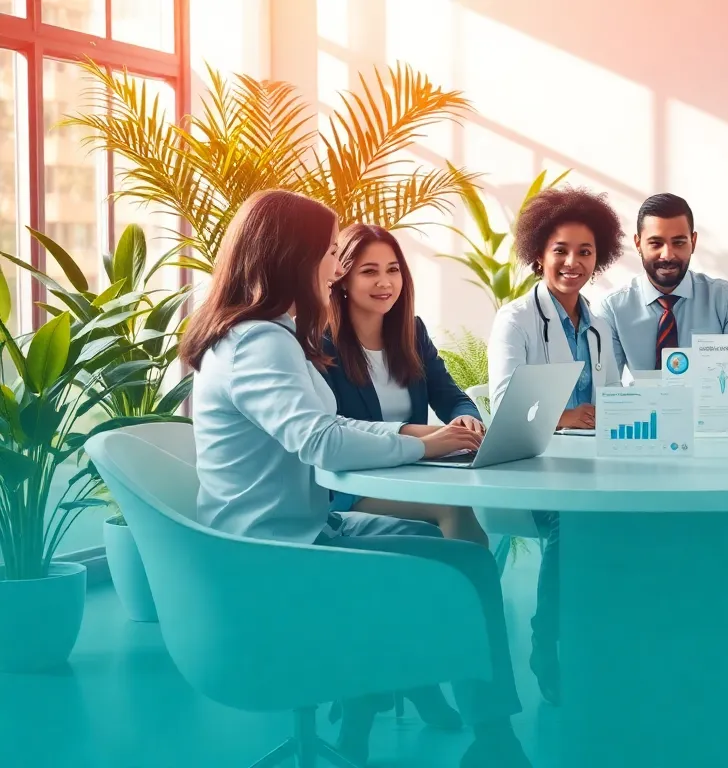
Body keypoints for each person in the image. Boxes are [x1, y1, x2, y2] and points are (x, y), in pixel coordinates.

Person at [183, 189, 531, 768]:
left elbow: (329, 423)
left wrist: (424, 437)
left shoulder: (261, 334)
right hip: (277, 550)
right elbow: (318, 440)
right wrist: (418, 439)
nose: (334, 265)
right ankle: (491, 735)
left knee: (459, 556)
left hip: (302, 526)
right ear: (292, 257)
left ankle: (470, 717)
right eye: (327, 251)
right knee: (464, 562)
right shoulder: (261, 342)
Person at [486, 185, 624, 705]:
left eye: (585, 252)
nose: (573, 263)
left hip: (594, 463)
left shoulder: (600, 325)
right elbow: (504, 405)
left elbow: (613, 397)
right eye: (561, 251)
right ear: (538, 254)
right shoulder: (516, 319)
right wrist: (567, 417)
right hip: (536, 467)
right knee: (575, 521)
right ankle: (548, 642)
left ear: (599, 257)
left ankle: (607, 638)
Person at [322, 223, 489, 548]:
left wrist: (465, 418)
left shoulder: (412, 332)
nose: (385, 282)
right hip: (351, 484)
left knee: (472, 502)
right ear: (343, 278)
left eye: (393, 270)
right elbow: (339, 430)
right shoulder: (323, 343)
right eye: (369, 271)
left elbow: (452, 396)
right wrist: (427, 437)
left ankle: (463, 597)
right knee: (457, 510)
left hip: (413, 471)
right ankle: (472, 600)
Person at [595, 193, 728, 419]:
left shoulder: (724, 297)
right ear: (638, 244)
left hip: (712, 425)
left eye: (679, 242)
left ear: (693, 242)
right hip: (644, 424)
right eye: (656, 243)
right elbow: (606, 384)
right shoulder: (613, 308)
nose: (667, 255)